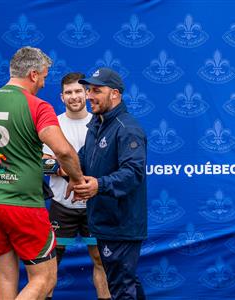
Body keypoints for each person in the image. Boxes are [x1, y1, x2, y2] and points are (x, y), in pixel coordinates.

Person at [0, 46, 85, 300]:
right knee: (45, 277)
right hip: (23, 205)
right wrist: (76, 178)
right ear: (32, 74)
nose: (43, 83)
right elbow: (64, 152)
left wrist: (2, 167)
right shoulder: (38, 106)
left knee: (6, 278)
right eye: (43, 76)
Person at [74, 67, 148, 300]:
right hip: (103, 220)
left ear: (114, 94)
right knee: (125, 282)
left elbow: (133, 173)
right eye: (89, 90)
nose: (89, 95)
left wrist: (98, 185)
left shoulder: (128, 129)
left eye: (96, 90)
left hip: (121, 223)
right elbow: (83, 159)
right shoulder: (96, 125)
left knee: (121, 287)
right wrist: (64, 169)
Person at [43, 72, 110, 300]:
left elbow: (110, 162)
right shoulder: (52, 124)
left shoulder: (101, 123)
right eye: (68, 92)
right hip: (61, 205)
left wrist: (84, 181)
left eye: (78, 91)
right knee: (50, 265)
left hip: (95, 204)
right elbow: (42, 162)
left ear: (87, 93)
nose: (74, 96)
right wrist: (68, 173)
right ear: (61, 97)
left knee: (101, 259)